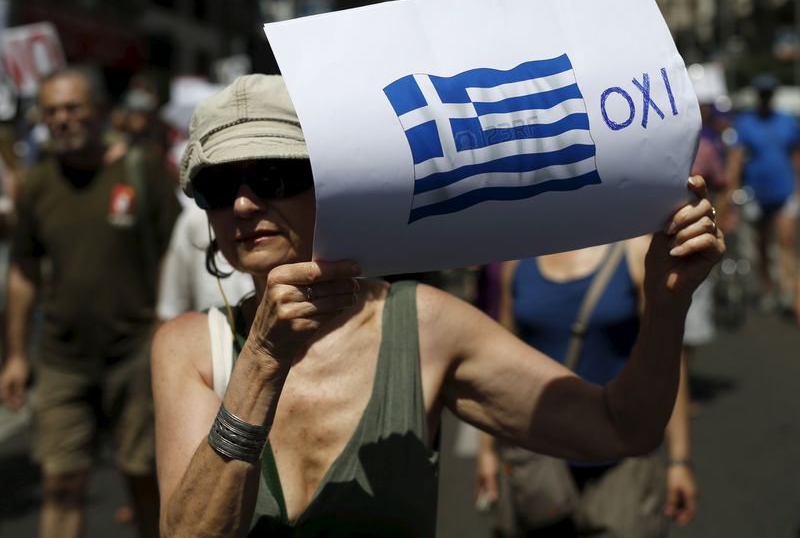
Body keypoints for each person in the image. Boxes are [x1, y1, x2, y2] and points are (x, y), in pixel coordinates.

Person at [152, 74, 723, 537]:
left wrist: (665, 306)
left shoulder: (423, 325)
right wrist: (260, 361)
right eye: (218, 189)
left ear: (330, 183)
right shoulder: (189, 350)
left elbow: (620, 429)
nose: (245, 205)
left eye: (274, 177)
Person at [0, 68, 181, 538]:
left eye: (73, 107)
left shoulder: (142, 171)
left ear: (99, 110)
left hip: (137, 352)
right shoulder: (37, 184)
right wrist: (16, 355)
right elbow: (23, 270)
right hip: (62, 359)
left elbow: (176, 253)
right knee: (61, 483)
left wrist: (171, 332)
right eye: (53, 110)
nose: (63, 119)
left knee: (143, 478)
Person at [475, 239, 696, 537]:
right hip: (538, 458)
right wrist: (488, 450)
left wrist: (678, 461)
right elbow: (499, 360)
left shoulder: (636, 252)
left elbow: (666, 360)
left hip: (620, 459)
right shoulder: (519, 258)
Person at [730, 74, 800, 313]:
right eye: (763, 94)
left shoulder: (787, 121)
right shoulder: (746, 123)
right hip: (757, 194)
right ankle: (768, 287)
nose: (766, 98)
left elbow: (796, 155)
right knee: (762, 244)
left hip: (785, 191)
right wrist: (732, 191)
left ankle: (787, 288)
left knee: (787, 241)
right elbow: (736, 160)